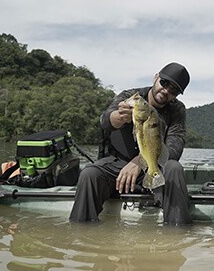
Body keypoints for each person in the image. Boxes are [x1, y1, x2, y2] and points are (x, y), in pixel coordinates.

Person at [69, 62, 192, 226]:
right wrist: (118, 117)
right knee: (89, 174)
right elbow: (104, 121)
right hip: (117, 165)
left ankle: (176, 236)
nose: (166, 91)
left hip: (152, 165)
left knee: (174, 168)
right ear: (156, 77)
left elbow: (175, 146)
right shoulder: (131, 97)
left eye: (174, 90)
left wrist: (140, 163)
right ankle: (79, 234)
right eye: (164, 83)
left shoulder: (177, 110)